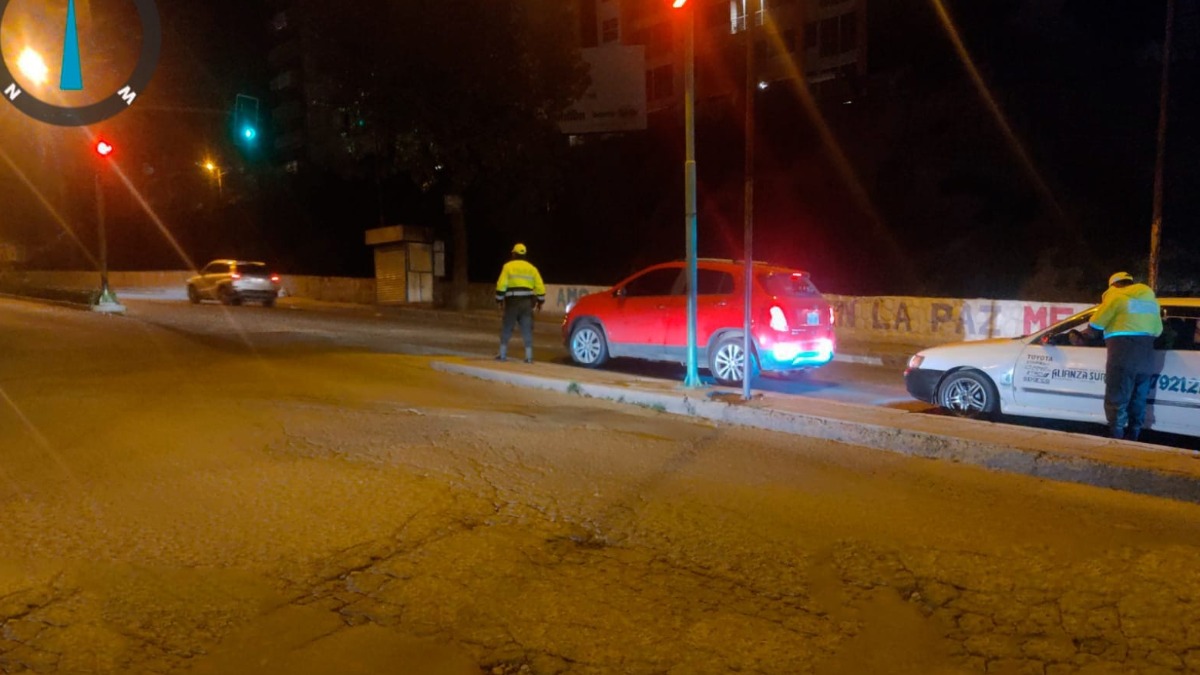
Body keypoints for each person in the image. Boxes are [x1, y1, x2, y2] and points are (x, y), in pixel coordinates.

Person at [1085, 271, 1162, 441]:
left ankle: (1117, 437)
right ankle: (1134, 435)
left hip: (1122, 355)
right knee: (1139, 398)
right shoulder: (1151, 302)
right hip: (1147, 358)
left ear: (1113, 285)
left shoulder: (1116, 297)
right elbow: (1158, 330)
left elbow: (1095, 325)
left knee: (1117, 397)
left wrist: (1081, 335)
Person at [494, 243, 546, 363]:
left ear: (514, 254)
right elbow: (540, 286)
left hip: (512, 302)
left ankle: (502, 355)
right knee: (527, 329)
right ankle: (528, 357)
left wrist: (499, 300)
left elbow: (501, 285)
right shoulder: (532, 268)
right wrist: (540, 301)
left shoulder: (508, 267)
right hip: (527, 303)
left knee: (507, 327)